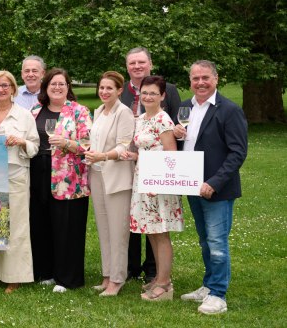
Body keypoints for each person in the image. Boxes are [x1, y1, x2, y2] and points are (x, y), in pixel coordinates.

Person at [174, 60, 247, 315]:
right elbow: (184, 144)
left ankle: (218, 294)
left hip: (217, 189)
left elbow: (238, 153)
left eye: (205, 77)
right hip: (193, 186)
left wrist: (214, 183)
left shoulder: (229, 110)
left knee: (217, 242)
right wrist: (176, 135)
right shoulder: (185, 107)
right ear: (190, 81)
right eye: (195, 78)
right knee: (205, 240)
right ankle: (208, 285)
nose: (200, 82)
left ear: (216, 79)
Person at [0, 71, 39, 293]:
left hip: (15, 175)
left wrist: (21, 142)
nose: (1, 89)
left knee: (16, 226)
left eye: (5, 85)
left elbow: (34, 147)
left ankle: (15, 276)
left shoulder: (24, 116)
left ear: (13, 89)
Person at [120, 47, 181, 282]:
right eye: (132, 63)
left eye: (152, 93)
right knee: (148, 228)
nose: (147, 97)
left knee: (158, 231)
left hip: (158, 179)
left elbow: (170, 152)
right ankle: (141, 272)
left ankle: (160, 278)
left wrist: (163, 179)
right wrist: (134, 157)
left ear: (162, 95)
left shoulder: (162, 116)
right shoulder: (138, 112)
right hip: (140, 175)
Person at [30, 68, 92, 292]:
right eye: (53, 84)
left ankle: (67, 278)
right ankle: (45, 272)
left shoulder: (79, 111)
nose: (57, 88)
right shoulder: (36, 111)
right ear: (46, 87)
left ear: (68, 87)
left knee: (67, 227)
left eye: (61, 84)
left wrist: (66, 143)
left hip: (69, 178)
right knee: (41, 223)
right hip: (38, 173)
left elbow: (87, 145)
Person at [83, 71, 135, 297]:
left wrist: (103, 156)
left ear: (119, 90)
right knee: (104, 230)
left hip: (116, 177)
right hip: (96, 174)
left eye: (109, 88)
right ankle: (106, 276)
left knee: (118, 232)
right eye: (101, 88)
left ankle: (117, 279)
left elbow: (125, 147)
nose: (104, 92)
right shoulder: (99, 111)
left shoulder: (124, 113)